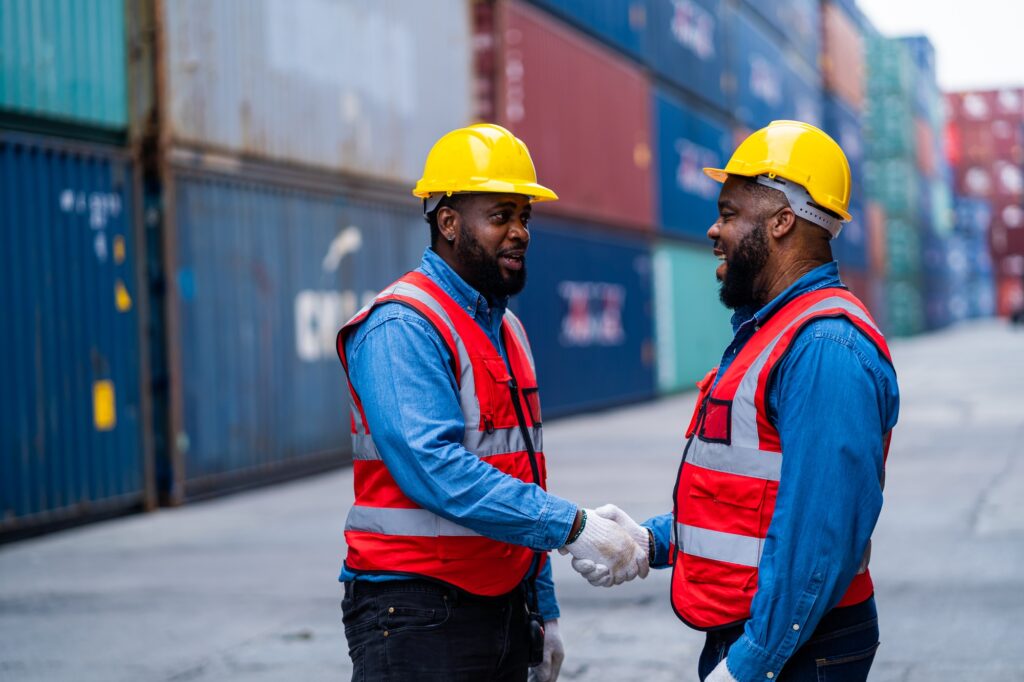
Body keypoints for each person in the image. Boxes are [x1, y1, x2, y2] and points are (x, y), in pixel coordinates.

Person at [574, 120, 900, 681]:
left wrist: (750, 665)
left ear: (781, 222)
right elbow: (751, 503)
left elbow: (818, 539)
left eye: (728, 213)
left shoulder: (824, 346)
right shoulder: (772, 332)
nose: (712, 229)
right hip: (764, 636)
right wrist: (648, 540)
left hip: (799, 650)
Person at [335, 123, 648, 682]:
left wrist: (543, 610)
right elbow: (436, 470)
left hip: (501, 607)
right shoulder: (404, 324)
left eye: (525, 217)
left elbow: (523, 472)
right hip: (413, 615)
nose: (520, 232)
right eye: (501, 216)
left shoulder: (508, 333)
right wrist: (573, 526)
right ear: (449, 222)